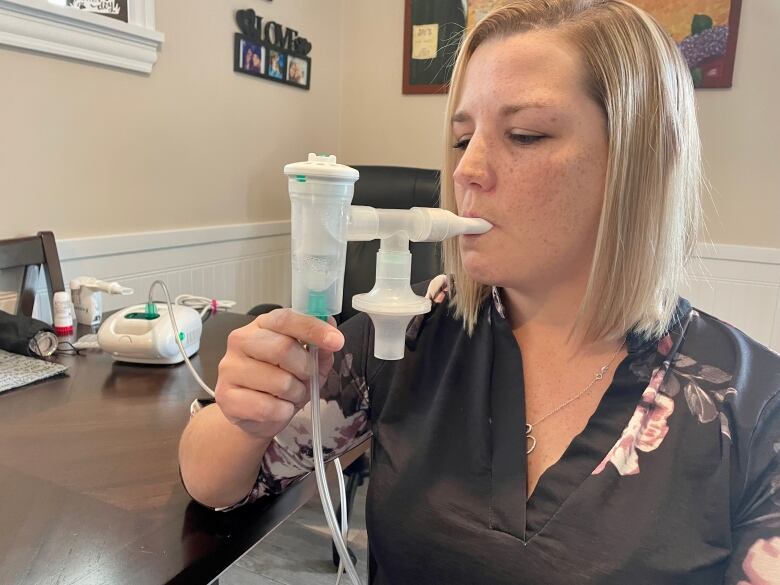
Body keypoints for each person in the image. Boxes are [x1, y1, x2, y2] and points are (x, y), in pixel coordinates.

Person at [179, 1, 780, 583]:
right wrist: (244, 415)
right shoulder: (413, 329)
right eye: (463, 139)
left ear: (637, 160)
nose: (466, 171)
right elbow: (213, 482)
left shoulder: (753, 412)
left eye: (523, 135)